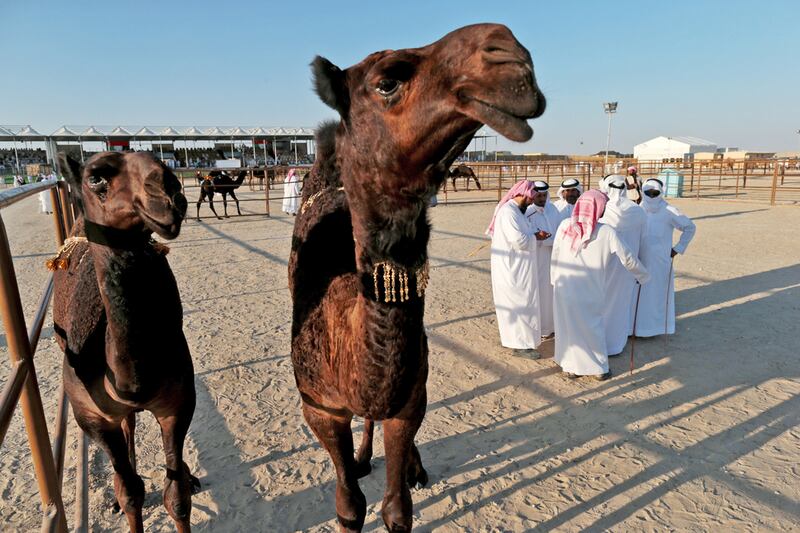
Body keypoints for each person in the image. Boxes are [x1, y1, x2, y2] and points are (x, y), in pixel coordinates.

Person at [551, 190, 650, 380]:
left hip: (563, 288)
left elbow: (555, 255)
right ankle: (598, 368)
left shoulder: (565, 226)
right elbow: (628, 258)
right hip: (589, 290)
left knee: (568, 326)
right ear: (598, 208)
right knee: (591, 326)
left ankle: (570, 366)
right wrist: (643, 276)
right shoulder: (606, 231)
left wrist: (554, 279)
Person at [487, 180, 549, 359]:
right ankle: (520, 345)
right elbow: (519, 241)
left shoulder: (518, 212)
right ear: (522, 194)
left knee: (524, 301)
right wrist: (537, 236)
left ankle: (521, 341)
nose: (532, 201)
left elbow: (524, 233)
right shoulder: (508, 213)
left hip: (521, 266)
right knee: (519, 303)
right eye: (530, 198)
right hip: (512, 269)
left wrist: (535, 233)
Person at [634, 179, 696, 337]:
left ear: (661, 193)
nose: (652, 196)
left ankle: (654, 329)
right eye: (648, 192)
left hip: (660, 261)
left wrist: (678, 248)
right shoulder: (637, 209)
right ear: (643, 192)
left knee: (656, 294)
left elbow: (690, 227)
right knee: (636, 294)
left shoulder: (669, 210)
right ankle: (634, 329)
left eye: (655, 193)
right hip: (639, 259)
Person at [598, 175, 647, 356]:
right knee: (621, 305)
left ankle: (600, 343)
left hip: (603, 265)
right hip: (628, 266)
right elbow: (643, 239)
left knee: (601, 304)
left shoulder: (601, 209)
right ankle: (615, 345)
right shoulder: (638, 211)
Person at [525, 180, 559, 338]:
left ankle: (551, 327)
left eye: (544, 195)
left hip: (554, 258)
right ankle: (540, 328)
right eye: (538, 195)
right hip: (537, 259)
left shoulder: (553, 209)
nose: (542, 198)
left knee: (552, 292)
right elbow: (528, 237)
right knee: (539, 292)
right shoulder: (528, 212)